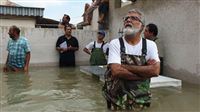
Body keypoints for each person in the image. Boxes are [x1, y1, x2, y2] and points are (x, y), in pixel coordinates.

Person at [102, 9, 160, 110]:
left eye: (133, 18)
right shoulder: (115, 43)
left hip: (141, 100)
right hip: (116, 100)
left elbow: (155, 71)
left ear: (142, 26)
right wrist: (144, 74)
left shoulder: (150, 45)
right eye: (126, 18)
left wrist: (123, 66)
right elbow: (116, 71)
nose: (128, 20)